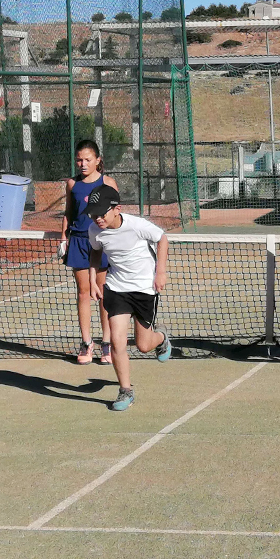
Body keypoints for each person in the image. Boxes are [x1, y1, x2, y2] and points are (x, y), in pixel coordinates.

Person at [85, 185, 171, 412]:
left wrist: (160, 271)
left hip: (144, 289)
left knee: (143, 345)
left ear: (117, 209)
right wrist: (93, 279)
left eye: (101, 213)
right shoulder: (95, 231)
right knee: (117, 340)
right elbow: (95, 252)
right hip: (116, 288)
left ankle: (161, 338)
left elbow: (162, 239)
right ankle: (126, 390)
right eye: (93, 214)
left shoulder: (136, 226)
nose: (97, 219)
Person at [60, 139, 118, 365]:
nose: (82, 164)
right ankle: (86, 343)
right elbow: (68, 212)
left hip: (102, 242)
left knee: (103, 293)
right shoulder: (72, 184)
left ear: (98, 160)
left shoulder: (108, 182)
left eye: (87, 160)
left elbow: (115, 213)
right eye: (79, 160)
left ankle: (107, 343)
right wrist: (64, 239)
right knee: (84, 293)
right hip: (78, 241)